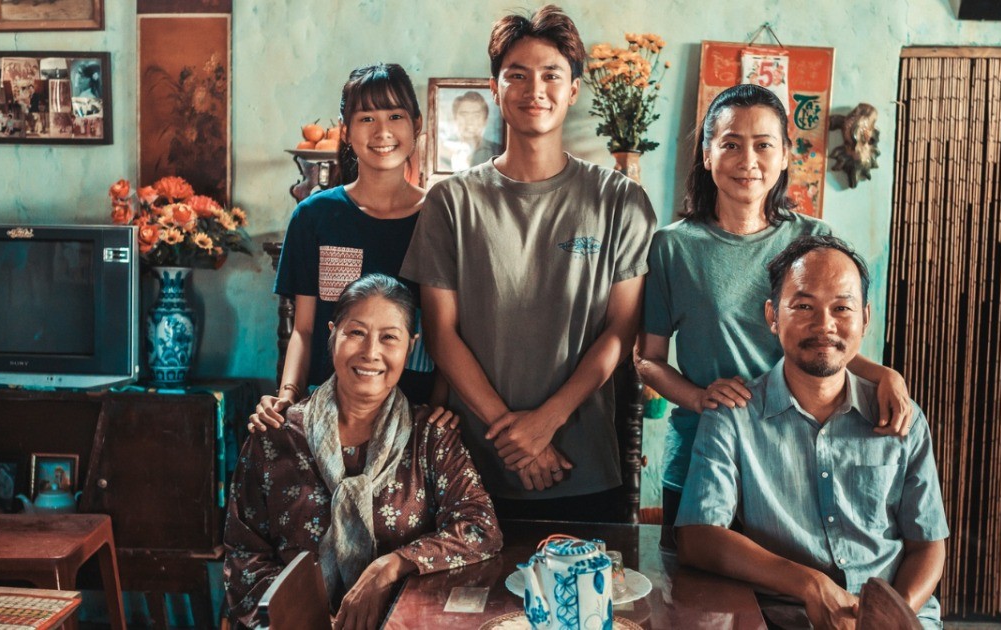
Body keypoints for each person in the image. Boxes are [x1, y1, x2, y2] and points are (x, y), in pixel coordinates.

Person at [401, 4, 656, 521]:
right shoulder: (451, 201)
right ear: (494, 90)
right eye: (516, 75)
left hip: (583, 464)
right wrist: (516, 438)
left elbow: (621, 330)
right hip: (468, 469)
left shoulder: (619, 200)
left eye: (551, 75)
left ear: (574, 90)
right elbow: (440, 333)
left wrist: (547, 422)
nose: (534, 89)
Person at [635, 83, 914, 549]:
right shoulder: (673, 246)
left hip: (791, 458)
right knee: (693, 585)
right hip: (702, 453)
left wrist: (885, 375)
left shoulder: (815, 240)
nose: (748, 160)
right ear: (707, 155)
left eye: (764, 145)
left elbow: (827, 345)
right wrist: (699, 398)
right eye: (731, 144)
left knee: (788, 587)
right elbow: (648, 360)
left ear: (785, 155)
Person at [676, 235, 948, 630]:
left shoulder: (901, 417)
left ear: (865, 319)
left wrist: (885, 617)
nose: (824, 325)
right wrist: (810, 584)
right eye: (804, 306)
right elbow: (697, 537)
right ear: (773, 316)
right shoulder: (733, 417)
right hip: (786, 619)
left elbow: (928, 545)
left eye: (842, 308)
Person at [224, 274, 501, 630]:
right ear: (332, 334)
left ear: (411, 345)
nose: (371, 352)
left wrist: (391, 566)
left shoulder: (431, 438)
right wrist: (310, 619)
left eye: (389, 337)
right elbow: (244, 555)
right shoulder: (275, 435)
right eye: (356, 332)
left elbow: (481, 527)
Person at [253, 63, 442, 431]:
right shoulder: (314, 216)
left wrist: (437, 411)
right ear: (346, 130)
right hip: (329, 417)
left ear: (416, 124)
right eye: (366, 118)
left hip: (416, 418)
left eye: (395, 116)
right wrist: (288, 396)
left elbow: (447, 332)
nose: (382, 131)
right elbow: (304, 330)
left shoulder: (440, 216)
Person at [441, 91, 502, 170]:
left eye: (476, 115)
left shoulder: (498, 151)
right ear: (455, 118)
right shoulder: (443, 151)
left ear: (485, 120)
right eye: (464, 114)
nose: (470, 121)